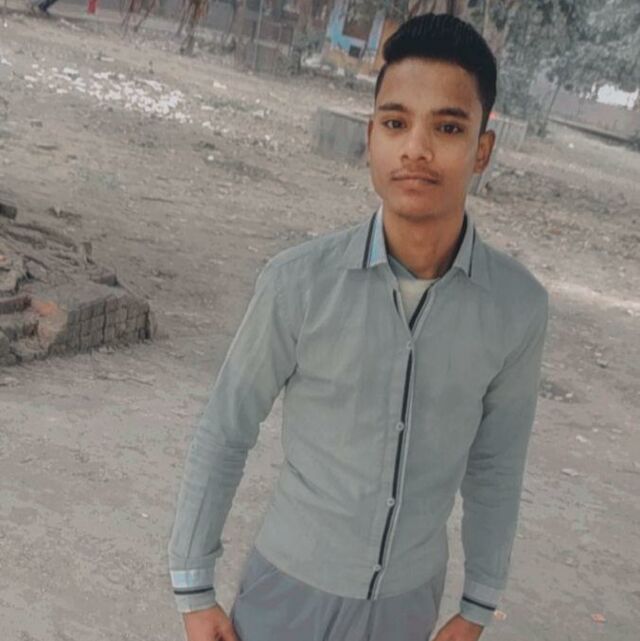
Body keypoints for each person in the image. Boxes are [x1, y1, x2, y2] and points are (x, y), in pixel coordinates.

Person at [167, 12, 549, 641]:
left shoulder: (516, 308)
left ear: (482, 149)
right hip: (287, 590)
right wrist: (193, 586)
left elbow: (496, 464)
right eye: (395, 123)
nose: (416, 149)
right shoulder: (298, 283)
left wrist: (477, 604)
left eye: (448, 127)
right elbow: (226, 428)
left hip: (408, 605)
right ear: (371, 137)